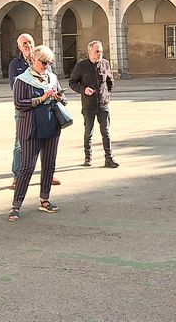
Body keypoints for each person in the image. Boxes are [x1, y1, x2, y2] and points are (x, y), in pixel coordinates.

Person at [8, 45, 67, 222]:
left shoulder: (52, 78)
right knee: (27, 167)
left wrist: (58, 96)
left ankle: (45, 199)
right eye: (43, 62)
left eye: (49, 63)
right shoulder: (22, 80)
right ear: (33, 60)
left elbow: (64, 99)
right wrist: (41, 99)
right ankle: (16, 205)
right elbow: (19, 103)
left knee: (49, 164)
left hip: (51, 125)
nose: (46, 66)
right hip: (31, 127)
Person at [8, 33, 60, 189]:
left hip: (44, 109)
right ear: (19, 47)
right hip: (25, 110)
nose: (27, 45)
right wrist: (38, 96)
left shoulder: (43, 60)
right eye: (24, 43)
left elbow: (49, 81)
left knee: (47, 141)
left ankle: (48, 174)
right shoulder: (15, 64)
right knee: (20, 143)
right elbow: (15, 87)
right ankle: (17, 175)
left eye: (29, 42)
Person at [69, 40, 119, 168]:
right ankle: (88, 157)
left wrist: (107, 95)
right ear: (90, 51)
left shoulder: (105, 64)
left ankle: (109, 158)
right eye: (97, 51)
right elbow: (72, 82)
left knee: (106, 132)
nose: (99, 54)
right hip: (88, 105)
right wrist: (83, 89)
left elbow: (110, 81)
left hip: (103, 104)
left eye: (101, 51)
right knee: (88, 132)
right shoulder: (81, 66)